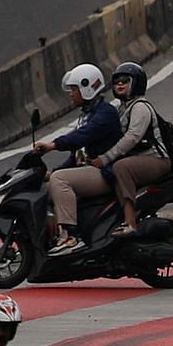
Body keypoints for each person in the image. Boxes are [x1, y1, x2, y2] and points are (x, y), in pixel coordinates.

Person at [86, 60, 173, 243]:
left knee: (120, 167)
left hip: (156, 160)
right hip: (140, 159)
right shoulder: (122, 108)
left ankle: (130, 221)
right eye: (117, 81)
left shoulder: (140, 107)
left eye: (125, 81)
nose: (120, 84)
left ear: (136, 83)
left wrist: (105, 158)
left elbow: (132, 137)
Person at [33, 62, 122, 242]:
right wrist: (52, 172)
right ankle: (53, 235)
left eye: (74, 89)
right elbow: (78, 155)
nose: (71, 94)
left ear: (86, 87)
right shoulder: (87, 114)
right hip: (89, 171)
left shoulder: (106, 113)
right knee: (46, 186)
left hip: (104, 172)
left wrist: (53, 145)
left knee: (60, 180)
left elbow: (81, 137)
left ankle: (70, 236)